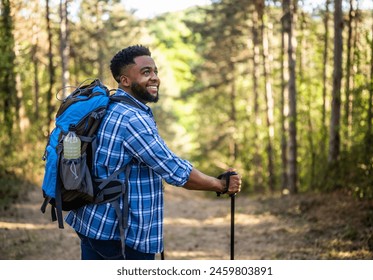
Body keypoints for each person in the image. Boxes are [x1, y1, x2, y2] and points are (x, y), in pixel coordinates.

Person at [65, 45, 242, 260]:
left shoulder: (111, 106)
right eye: (146, 72)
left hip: (92, 222)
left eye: (155, 71)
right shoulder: (132, 118)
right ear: (125, 80)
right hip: (118, 233)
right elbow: (174, 171)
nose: (154, 78)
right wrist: (220, 185)